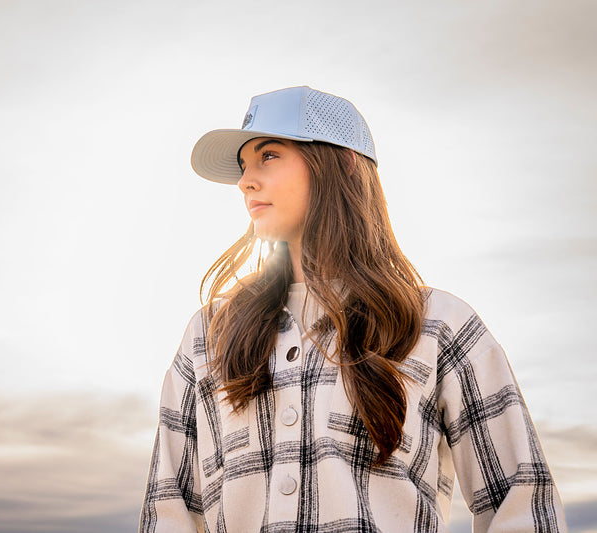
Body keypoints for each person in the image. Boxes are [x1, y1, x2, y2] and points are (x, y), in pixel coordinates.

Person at [140, 86, 566, 532]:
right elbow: (169, 511)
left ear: (339, 163)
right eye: (245, 165)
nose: (246, 180)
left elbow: (522, 504)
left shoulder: (439, 326)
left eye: (269, 156)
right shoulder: (209, 333)